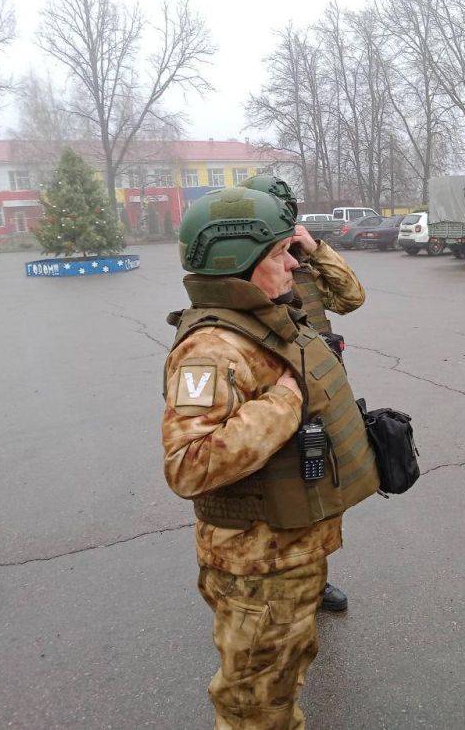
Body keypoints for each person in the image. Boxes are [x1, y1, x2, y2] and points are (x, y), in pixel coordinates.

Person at [161, 186, 382, 727]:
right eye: (279, 253)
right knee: (254, 707)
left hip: (286, 550)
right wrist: (286, 401)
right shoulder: (212, 349)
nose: (291, 263)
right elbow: (187, 464)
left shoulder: (265, 318)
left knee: (281, 679)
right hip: (258, 564)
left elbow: (346, 300)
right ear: (238, 262)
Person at [241, 173, 366, 613]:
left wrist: (314, 249)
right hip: (279, 388)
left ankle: (316, 575)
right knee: (279, 488)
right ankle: (272, 579)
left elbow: (352, 298)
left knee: (323, 483)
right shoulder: (251, 265)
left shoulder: (301, 262)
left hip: (322, 387)